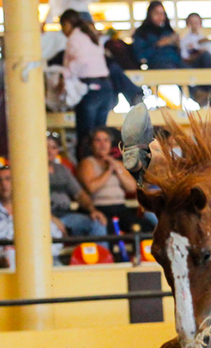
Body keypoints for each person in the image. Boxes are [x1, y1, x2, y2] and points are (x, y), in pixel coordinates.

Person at [0, 166, 64, 268]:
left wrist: (36, 256)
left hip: (35, 261)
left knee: (59, 269)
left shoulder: (34, 208)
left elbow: (56, 240)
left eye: (8, 179)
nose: (4, 184)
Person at [61, 8, 113, 161]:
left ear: (66, 24)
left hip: (90, 88)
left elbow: (81, 61)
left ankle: (87, 170)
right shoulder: (90, 35)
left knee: (87, 137)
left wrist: (66, 74)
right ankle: (99, 167)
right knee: (100, 136)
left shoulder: (75, 38)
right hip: (105, 87)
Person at [78, 127, 142, 232]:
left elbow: (132, 188)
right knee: (110, 231)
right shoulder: (87, 163)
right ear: (91, 144)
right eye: (98, 140)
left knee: (141, 228)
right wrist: (108, 171)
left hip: (121, 207)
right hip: (100, 207)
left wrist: (116, 168)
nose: (102, 144)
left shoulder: (118, 164)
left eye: (106, 140)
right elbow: (91, 188)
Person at [46, 133, 108, 238]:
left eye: (53, 148)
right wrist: (50, 219)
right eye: (46, 147)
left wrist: (93, 210)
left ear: (57, 151)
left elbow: (80, 194)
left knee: (97, 223)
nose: (49, 151)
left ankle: (101, 254)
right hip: (44, 219)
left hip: (66, 215)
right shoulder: (33, 172)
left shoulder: (62, 169)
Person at [133, 1, 184, 70]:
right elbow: (140, 56)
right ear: (150, 15)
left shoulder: (168, 31)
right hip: (156, 65)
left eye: (162, 14)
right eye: (156, 14)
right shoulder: (142, 33)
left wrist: (178, 46)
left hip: (175, 63)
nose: (160, 17)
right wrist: (158, 44)